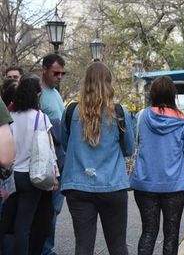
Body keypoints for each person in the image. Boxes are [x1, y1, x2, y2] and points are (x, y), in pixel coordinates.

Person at [60, 62, 135, 255]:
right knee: (117, 245)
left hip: (78, 185)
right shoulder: (119, 113)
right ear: (108, 83)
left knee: (83, 247)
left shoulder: (70, 111)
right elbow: (129, 148)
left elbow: (66, 144)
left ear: (86, 83)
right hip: (111, 184)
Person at [130, 76, 184, 255]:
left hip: (144, 183)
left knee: (148, 232)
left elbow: (133, 144)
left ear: (153, 94)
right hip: (175, 185)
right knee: (171, 235)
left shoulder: (141, 116)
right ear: (173, 94)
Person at [0, 77, 57, 255]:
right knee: (23, 226)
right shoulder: (40, 117)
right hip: (30, 175)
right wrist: (55, 175)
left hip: (11, 173)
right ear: (37, 95)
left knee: (6, 220)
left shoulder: (10, 117)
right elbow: (49, 150)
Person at [39, 54, 66, 255]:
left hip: (60, 159)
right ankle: (45, 249)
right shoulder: (38, 93)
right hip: (46, 162)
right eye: (55, 73)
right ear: (44, 69)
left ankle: (47, 247)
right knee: (47, 209)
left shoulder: (56, 93)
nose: (59, 77)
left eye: (62, 74)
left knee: (54, 209)